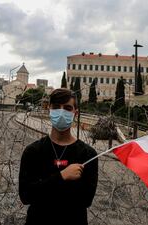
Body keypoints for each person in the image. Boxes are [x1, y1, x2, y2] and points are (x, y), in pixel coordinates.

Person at [19, 88, 98, 225]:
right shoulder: (33, 151)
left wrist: (43, 187)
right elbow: (26, 196)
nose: (61, 112)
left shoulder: (88, 154)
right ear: (49, 109)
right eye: (56, 107)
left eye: (67, 108)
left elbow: (85, 200)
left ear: (75, 113)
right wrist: (62, 177)